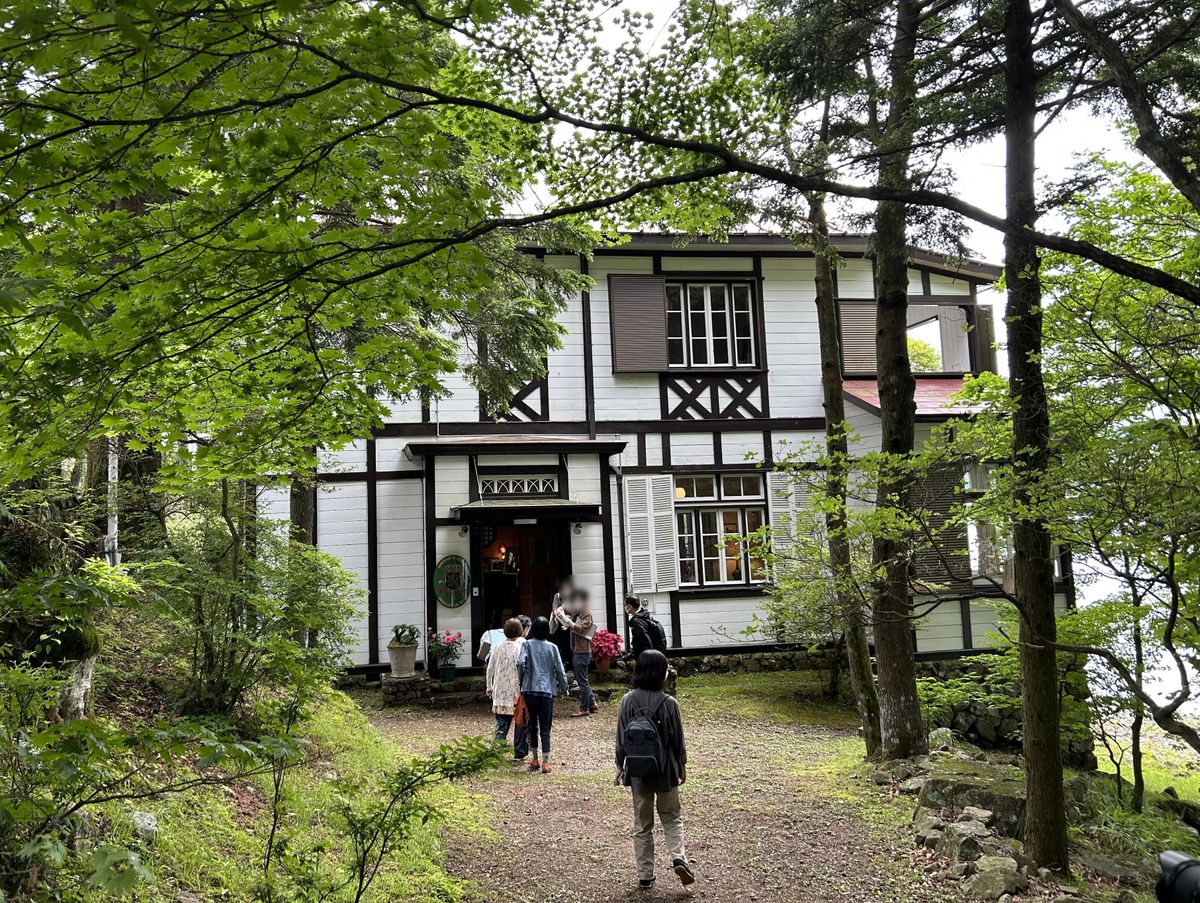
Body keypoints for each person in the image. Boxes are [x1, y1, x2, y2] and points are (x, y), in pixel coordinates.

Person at [615, 649, 693, 890]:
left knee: (642, 824)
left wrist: (620, 765)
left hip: (638, 771)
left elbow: (621, 737)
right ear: (662, 672)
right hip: (666, 769)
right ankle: (678, 857)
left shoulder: (628, 700)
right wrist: (682, 765)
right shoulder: (670, 703)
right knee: (671, 817)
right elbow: (677, 739)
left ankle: (645, 875)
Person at [516, 616, 568, 774]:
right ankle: (546, 763)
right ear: (547, 631)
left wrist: (521, 679)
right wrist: (564, 687)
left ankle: (534, 759)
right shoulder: (552, 647)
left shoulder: (527, 644)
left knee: (532, 726)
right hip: (547, 691)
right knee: (546, 727)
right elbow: (559, 669)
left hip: (530, 690)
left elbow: (520, 663)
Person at [485, 618, 526, 757]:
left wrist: (489, 686)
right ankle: (519, 752)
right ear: (520, 631)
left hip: (500, 691)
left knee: (501, 722)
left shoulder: (497, 646)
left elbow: (490, 668)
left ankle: (497, 750)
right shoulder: (521, 646)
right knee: (520, 722)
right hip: (516, 691)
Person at [559, 588, 597, 717]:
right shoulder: (579, 611)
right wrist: (562, 610)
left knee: (582, 681)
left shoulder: (586, 613)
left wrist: (566, 619)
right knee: (583, 678)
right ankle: (592, 703)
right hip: (577, 649)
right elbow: (567, 611)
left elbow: (580, 629)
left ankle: (584, 708)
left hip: (582, 651)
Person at [623, 595, 668, 660]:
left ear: (629, 606)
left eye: (625, 605)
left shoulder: (637, 621)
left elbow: (645, 640)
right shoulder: (644, 616)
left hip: (646, 658)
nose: (625, 607)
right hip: (655, 654)